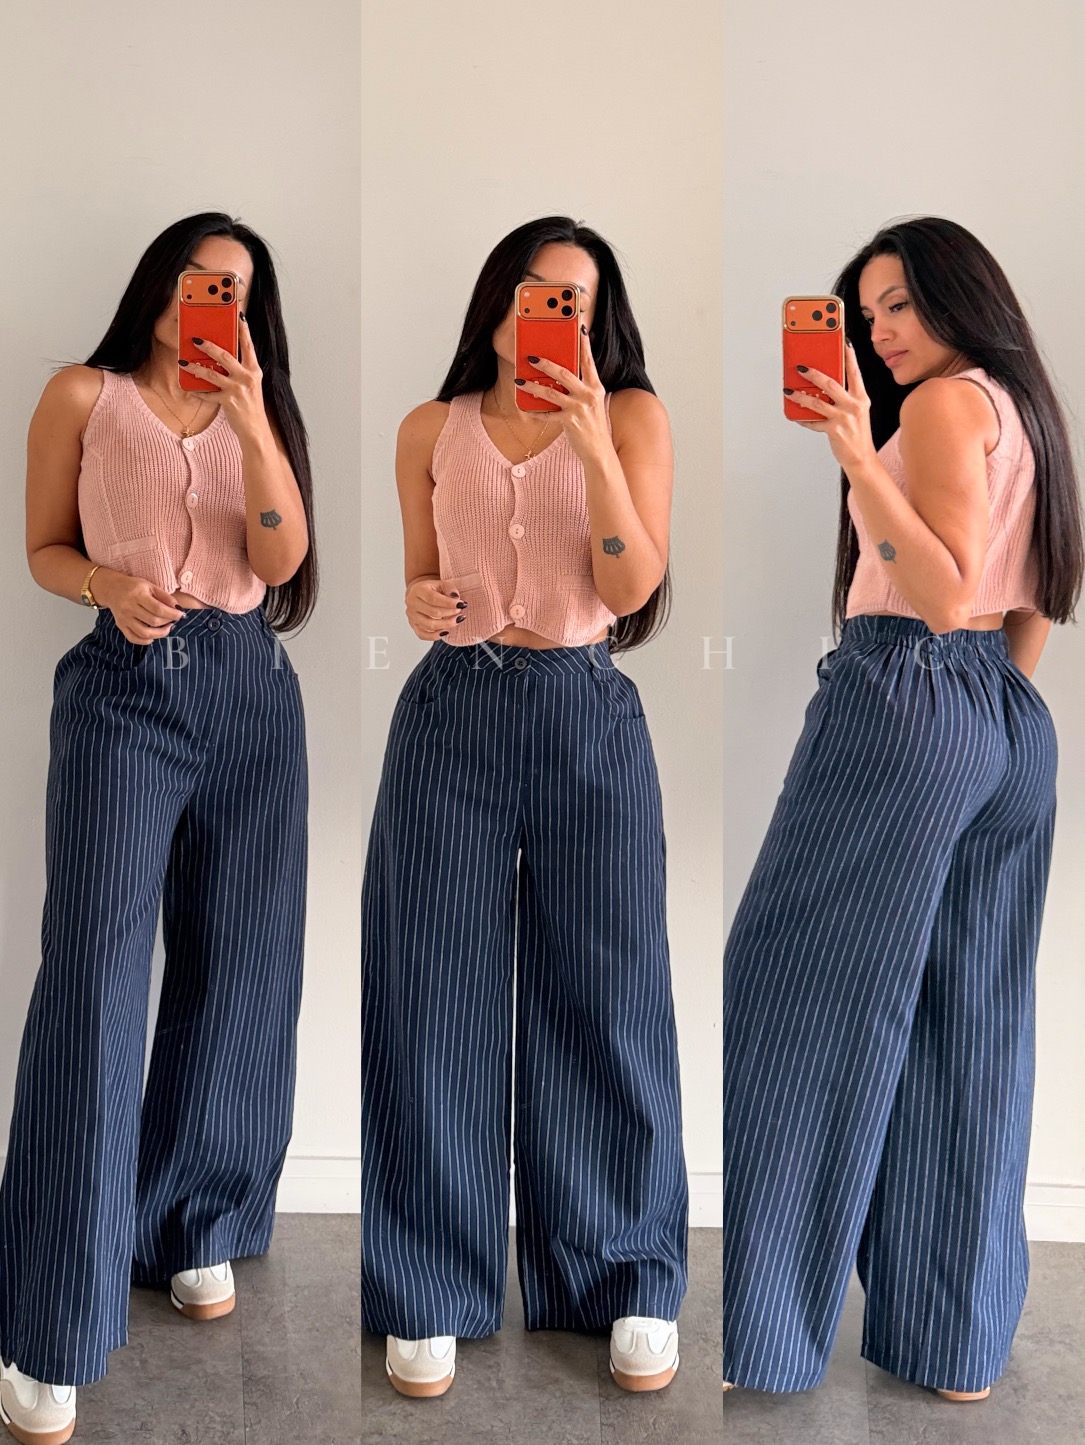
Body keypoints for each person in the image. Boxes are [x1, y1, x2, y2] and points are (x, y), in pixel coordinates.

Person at [721, 216, 1084, 1404]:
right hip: (1004, 719)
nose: (877, 331)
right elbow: (1034, 592)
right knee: (965, 1023)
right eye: (865, 309)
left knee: (789, 997)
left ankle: (763, 1338)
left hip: (906, 692)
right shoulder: (1020, 406)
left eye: (898, 305)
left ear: (957, 297)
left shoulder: (933, 406)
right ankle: (951, 1343)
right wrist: (980, 720)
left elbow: (936, 589)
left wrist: (849, 449)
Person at [0, 212, 316, 1444]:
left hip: (252, 688)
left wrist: (249, 417)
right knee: (94, 972)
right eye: (197, 278)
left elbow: (282, 563)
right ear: (159, 284)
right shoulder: (83, 396)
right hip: (125, 692)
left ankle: (189, 1219)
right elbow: (41, 546)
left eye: (235, 287)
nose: (212, 300)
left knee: (241, 964)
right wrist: (109, 583)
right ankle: (48, 1315)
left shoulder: (260, 409)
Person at [361, 216, 688, 1398]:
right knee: (430, 994)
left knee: (607, 991)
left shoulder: (633, 416)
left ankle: (622, 1271)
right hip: (450, 710)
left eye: (575, 302)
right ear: (495, 299)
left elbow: (631, 586)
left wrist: (591, 442)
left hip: (585, 709)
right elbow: (418, 575)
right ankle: (427, 1281)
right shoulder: (428, 427)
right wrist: (420, 597)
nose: (550, 314)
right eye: (533, 291)